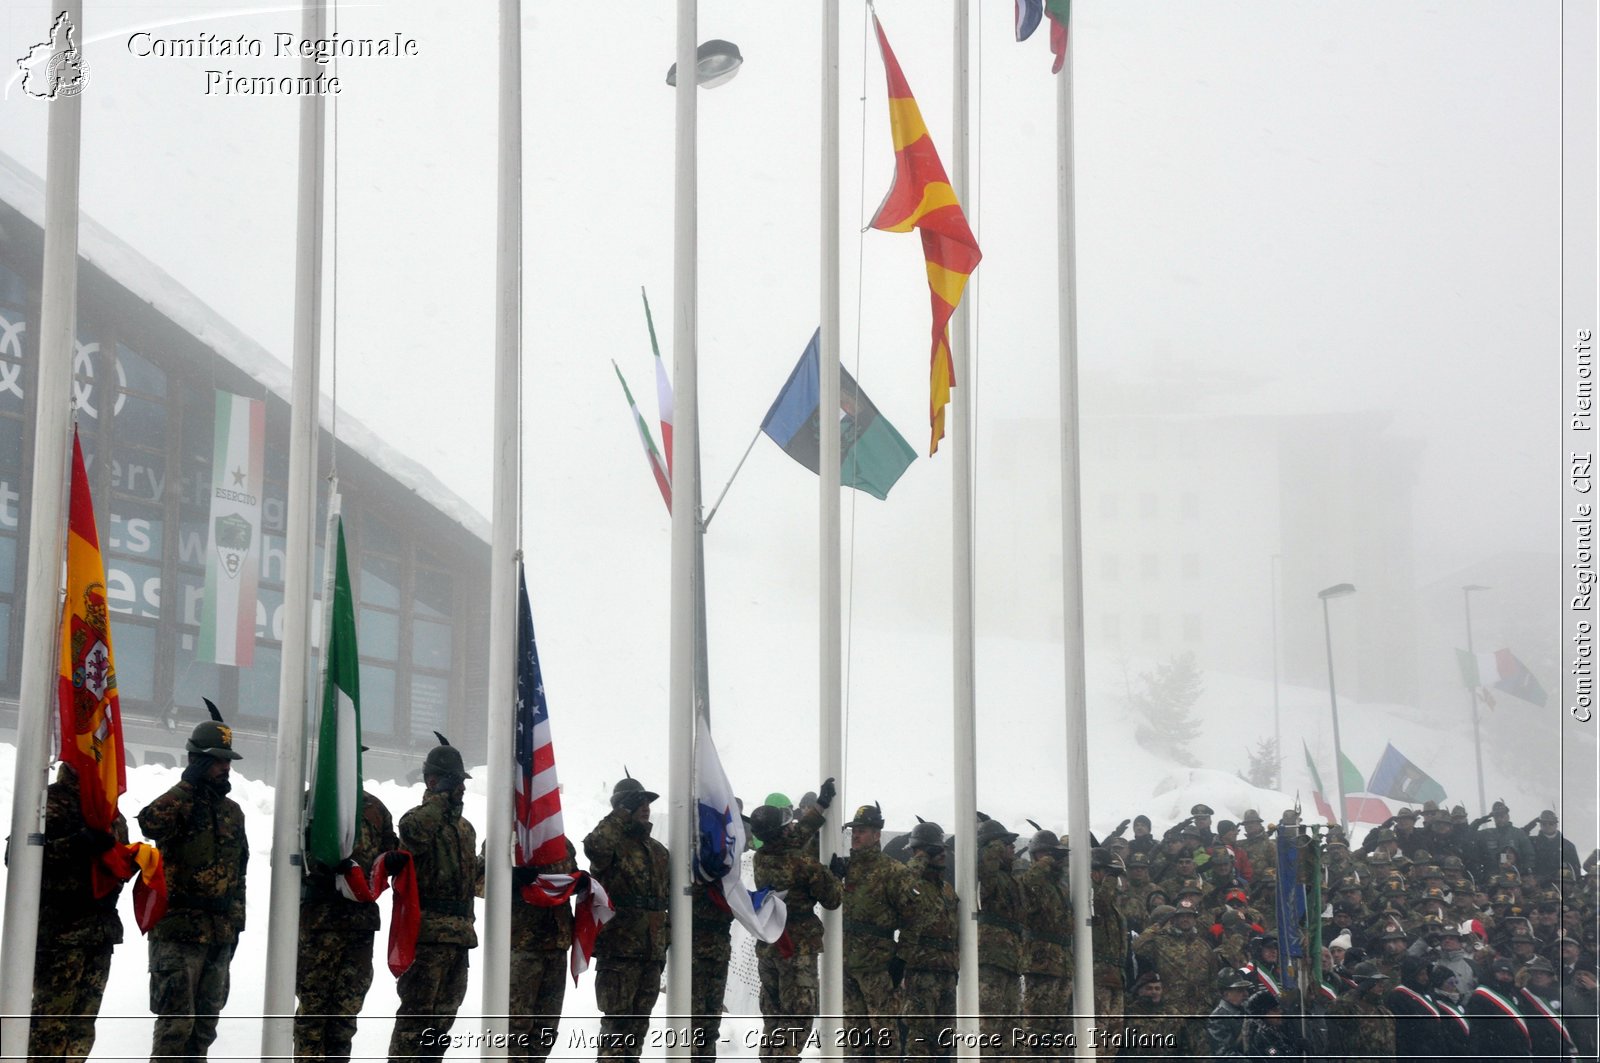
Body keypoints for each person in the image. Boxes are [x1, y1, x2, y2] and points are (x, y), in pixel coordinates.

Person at [138, 712, 249, 1061]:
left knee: (204, 1028)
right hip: (179, 933)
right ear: (198, 761)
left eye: (227, 761)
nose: (225, 768)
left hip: (219, 933)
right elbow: (149, 822)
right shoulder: (179, 803)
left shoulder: (233, 812)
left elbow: (239, 874)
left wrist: (235, 928)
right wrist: (186, 785)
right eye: (217, 761)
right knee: (176, 1027)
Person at [388, 736, 484, 1062]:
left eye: (462, 782)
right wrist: (439, 801)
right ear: (434, 781)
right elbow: (411, 832)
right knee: (415, 1022)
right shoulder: (420, 820)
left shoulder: (465, 829)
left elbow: (472, 881)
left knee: (442, 1025)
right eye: (455, 781)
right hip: (426, 940)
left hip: (458, 940)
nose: (462, 789)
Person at [29, 762, 129, 1062]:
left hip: (99, 933)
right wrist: (76, 844)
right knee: (49, 1024)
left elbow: (117, 866)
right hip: (60, 935)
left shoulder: (111, 812)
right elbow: (19, 857)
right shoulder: (48, 801)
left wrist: (131, 862)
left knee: (82, 1026)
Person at [297, 779, 399, 1062]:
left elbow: (388, 853)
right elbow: (292, 851)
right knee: (313, 1014)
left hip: (359, 925)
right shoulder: (310, 803)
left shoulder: (375, 808)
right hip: (320, 922)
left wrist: (392, 862)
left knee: (345, 1014)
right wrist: (324, 865)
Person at [750, 777, 842, 1063]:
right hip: (797, 949)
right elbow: (833, 899)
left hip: (770, 945)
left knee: (774, 1019)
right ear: (781, 831)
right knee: (797, 1021)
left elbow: (795, 836)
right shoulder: (804, 865)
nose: (792, 825)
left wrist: (821, 806)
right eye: (786, 823)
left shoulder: (762, 857)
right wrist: (835, 875)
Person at [584, 775, 670, 1063]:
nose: (646, 807)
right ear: (621, 807)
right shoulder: (611, 845)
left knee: (638, 1029)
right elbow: (595, 847)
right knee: (616, 1030)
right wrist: (620, 813)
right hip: (620, 952)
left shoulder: (658, 851)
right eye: (638, 802)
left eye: (647, 802)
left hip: (651, 952)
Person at [839, 802, 908, 1061]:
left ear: (877, 834)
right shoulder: (846, 869)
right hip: (848, 966)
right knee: (856, 1040)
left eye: (863, 830)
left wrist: (901, 959)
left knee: (885, 1038)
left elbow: (914, 920)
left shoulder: (893, 872)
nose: (856, 835)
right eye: (854, 830)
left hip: (878, 967)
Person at [509, 838, 579, 1063]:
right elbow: (478, 880)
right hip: (522, 946)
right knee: (515, 1025)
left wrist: (578, 882)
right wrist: (511, 880)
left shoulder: (562, 843)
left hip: (557, 945)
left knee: (547, 1028)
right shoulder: (508, 838)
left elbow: (570, 879)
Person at [896, 821, 960, 1060]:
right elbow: (901, 889)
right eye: (935, 850)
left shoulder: (947, 890)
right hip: (920, 972)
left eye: (942, 850)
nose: (942, 855)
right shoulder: (912, 885)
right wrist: (921, 858)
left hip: (946, 971)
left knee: (945, 1039)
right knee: (919, 1039)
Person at [973, 816, 1024, 1056]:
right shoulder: (988, 874)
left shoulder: (1009, 877)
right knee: (989, 1026)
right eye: (1007, 843)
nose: (1012, 847)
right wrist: (992, 843)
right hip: (991, 958)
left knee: (1011, 1029)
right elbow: (986, 871)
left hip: (1011, 960)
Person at [1019, 827, 1073, 1055]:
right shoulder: (1031, 880)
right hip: (1040, 962)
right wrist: (1044, 864)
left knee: (1058, 1030)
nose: (1053, 858)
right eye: (1047, 853)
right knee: (1036, 1028)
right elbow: (1026, 890)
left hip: (1061, 962)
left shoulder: (1060, 886)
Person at [1089, 847, 1130, 1055]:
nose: (1112, 880)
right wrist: (1109, 881)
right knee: (1097, 1032)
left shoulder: (1113, 904)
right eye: (1107, 873)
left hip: (1115, 973)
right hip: (1097, 973)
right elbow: (1099, 906)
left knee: (1113, 1037)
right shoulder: (1088, 895)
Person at [1205, 968, 1252, 1057]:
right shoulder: (1217, 1019)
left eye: (1245, 989)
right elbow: (1225, 1055)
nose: (1246, 994)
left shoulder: (1247, 1008)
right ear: (1226, 993)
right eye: (1240, 990)